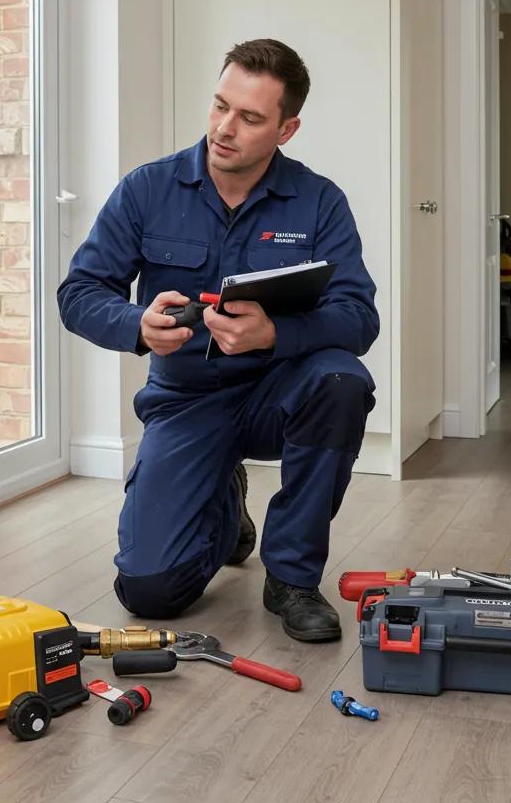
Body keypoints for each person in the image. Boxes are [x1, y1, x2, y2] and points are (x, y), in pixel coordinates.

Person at [57, 38, 378, 642]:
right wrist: (136, 324)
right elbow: (79, 293)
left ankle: (292, 578)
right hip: (188, 401)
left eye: (250, 118)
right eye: (220, 105)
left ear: (286, 130)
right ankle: (224, 502)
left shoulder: (319, 202)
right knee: (149, 593)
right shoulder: (147, 189)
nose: (225, 128)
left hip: (282, 393)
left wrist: (275, 332)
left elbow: (358, 316)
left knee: (342, 380)